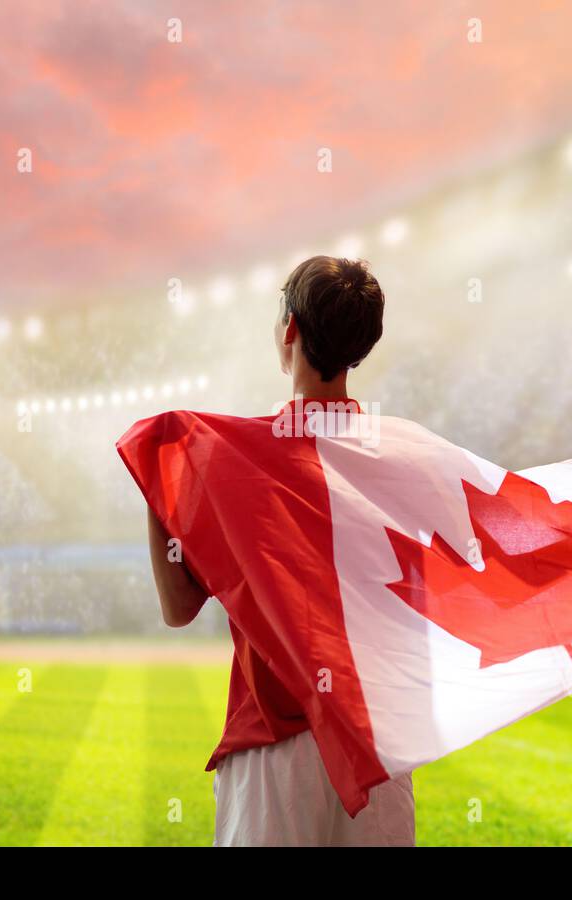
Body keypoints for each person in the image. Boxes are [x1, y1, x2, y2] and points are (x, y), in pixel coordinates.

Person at [144, 255, 414, 846]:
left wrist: (158, 486)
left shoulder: (233, 460)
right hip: (380, 747)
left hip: (275, 748)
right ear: (361, 347)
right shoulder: (401, 461)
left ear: (289, 329)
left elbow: (178, 608)